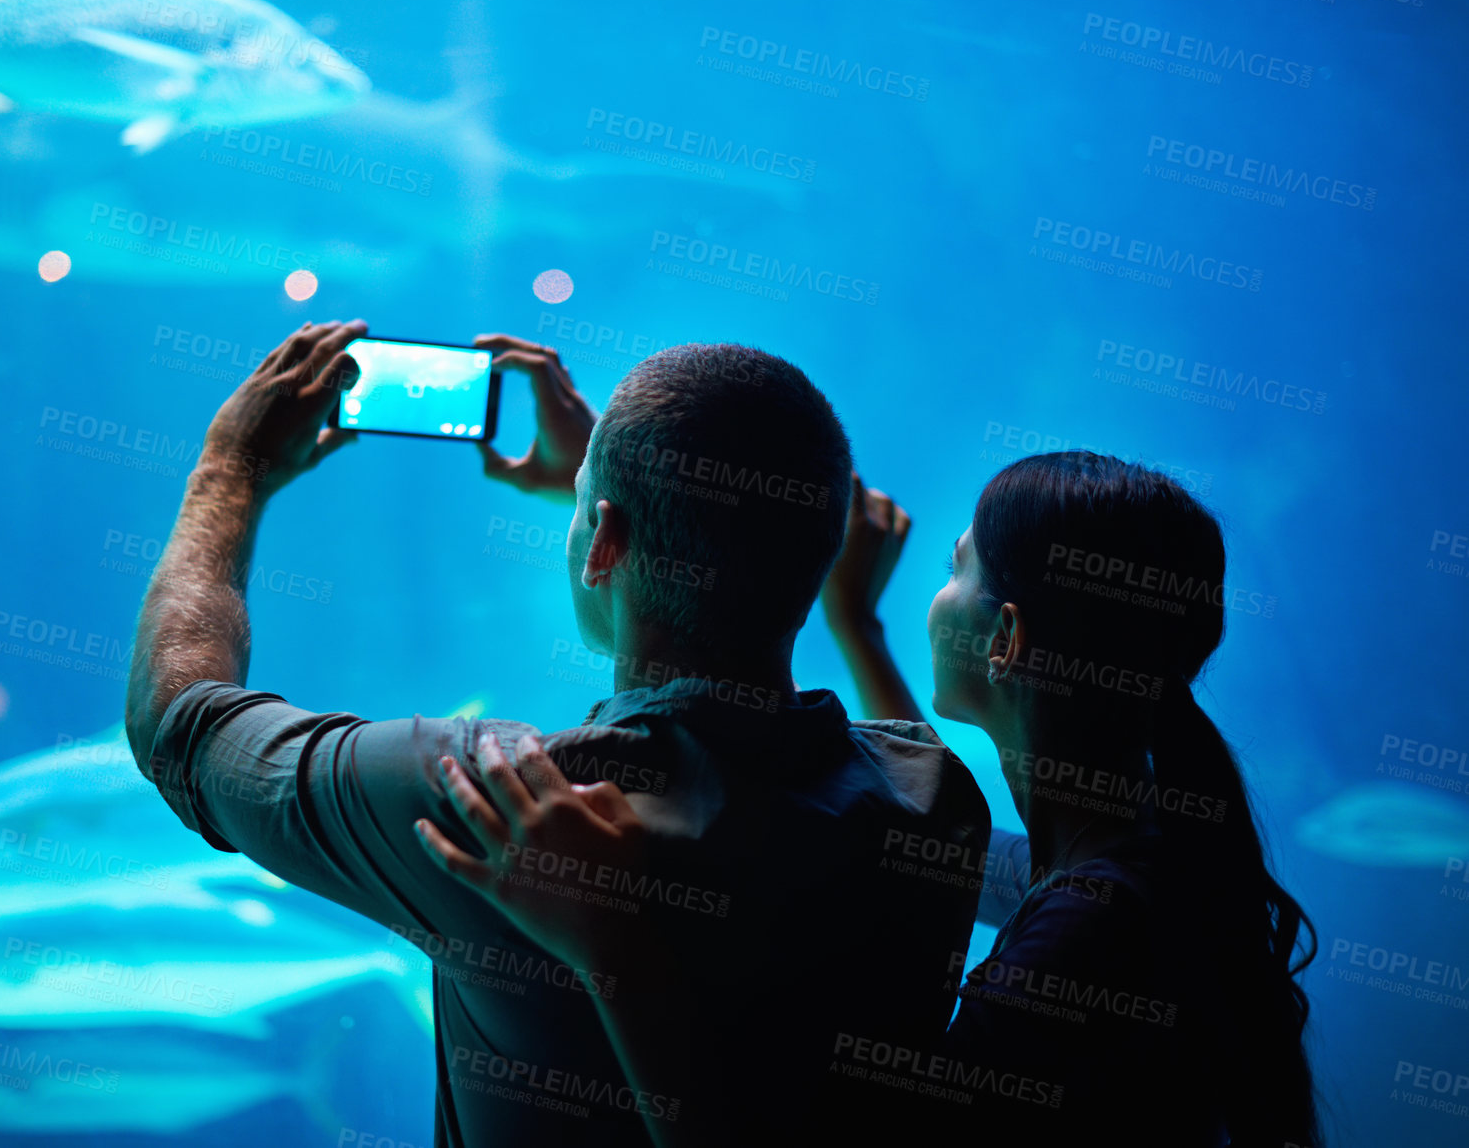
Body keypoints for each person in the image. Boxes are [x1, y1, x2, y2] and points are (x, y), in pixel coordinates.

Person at [124, 320, 989, 1146]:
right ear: (830, 548)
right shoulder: (934, 799)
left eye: (586, 509)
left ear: (602, 539)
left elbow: (178, 725)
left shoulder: (505, 805)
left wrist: (229, 468)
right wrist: (628, 494)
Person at [421, 452, 1322, 1147]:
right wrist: (855, 619)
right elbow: (933, 829)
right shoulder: (1136, 858)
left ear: (1002, 636)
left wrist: (606, 933)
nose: (937, 591)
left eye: (954, 567)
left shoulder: (1080, 938)